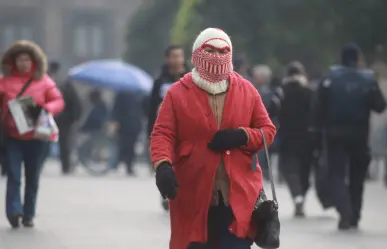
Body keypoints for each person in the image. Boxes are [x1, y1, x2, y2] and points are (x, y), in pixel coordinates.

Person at [150, 28, 276, 249]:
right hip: (193, 193)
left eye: (222, 51)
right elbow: (163, 133)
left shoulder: (246, 90)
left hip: (238, 196)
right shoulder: (178, 93)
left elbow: (268, 130)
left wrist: (242, 136)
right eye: (209, 50)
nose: (216, 56)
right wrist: (162, 165)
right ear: (197, 53)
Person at [313, 43, 386, 230]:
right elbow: (380, 105)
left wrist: (318, 129)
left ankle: (344, 211)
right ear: (358, 58)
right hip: (360, 134)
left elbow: (317, 106)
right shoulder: (368, 78)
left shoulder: (330, 77)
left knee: (336, 174)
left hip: (334, 134)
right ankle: (354, 214)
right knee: (357, 175)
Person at [0, 40, 64, 228]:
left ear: (33, 61)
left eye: (27, 59)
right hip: (12, 137)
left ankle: (28, 213)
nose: (23, 63)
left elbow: (58, 100)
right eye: (19, 59)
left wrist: (46, 108)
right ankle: (13, 211)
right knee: (13, 175)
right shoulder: (5, 82)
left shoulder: (44, 80)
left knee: (32, 176)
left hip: (37, 137)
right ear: (12, 61)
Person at [147, 44, 188, 210]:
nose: (177, 59)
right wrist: (150, 133)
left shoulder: (191, 78)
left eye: (180, 56)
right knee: (166, 162)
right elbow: (151, 108)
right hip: (166, 129)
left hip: (186, 128)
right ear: (168, 59)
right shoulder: (160, 81)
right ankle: (167, 192)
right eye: (174, 56)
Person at [277, 61, 314, 217]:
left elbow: (273, 111)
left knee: (290, 170)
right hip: (307, 137)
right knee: (305, 170)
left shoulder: (281, 92)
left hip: (287, 136)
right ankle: (301, 198)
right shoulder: (309, 91)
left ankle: (297, 196)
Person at [50, 62, 82, 174]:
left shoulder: (60, 84)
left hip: (61, 118)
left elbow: (75, 104)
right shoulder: (64, 84)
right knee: (64, 144)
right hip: (63, 118)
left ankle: (66, 165)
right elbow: (77, 104)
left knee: (63, 144)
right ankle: (66, 165)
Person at [251, 65, 281, 180]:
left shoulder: (263, 92)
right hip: (269, 126)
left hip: (264, 126)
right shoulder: (271, 91)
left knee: (264, 151)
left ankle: (263, 171)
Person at [110, 90, 144, 175]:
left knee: (131, 146)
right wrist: (116, 120)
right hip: (124, 124)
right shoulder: (121, 94)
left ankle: (129, 165)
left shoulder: (139, 94)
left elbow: (142, 109)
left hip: (134, 124)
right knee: (123, 144)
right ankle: (119, 163)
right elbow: (116, 108)